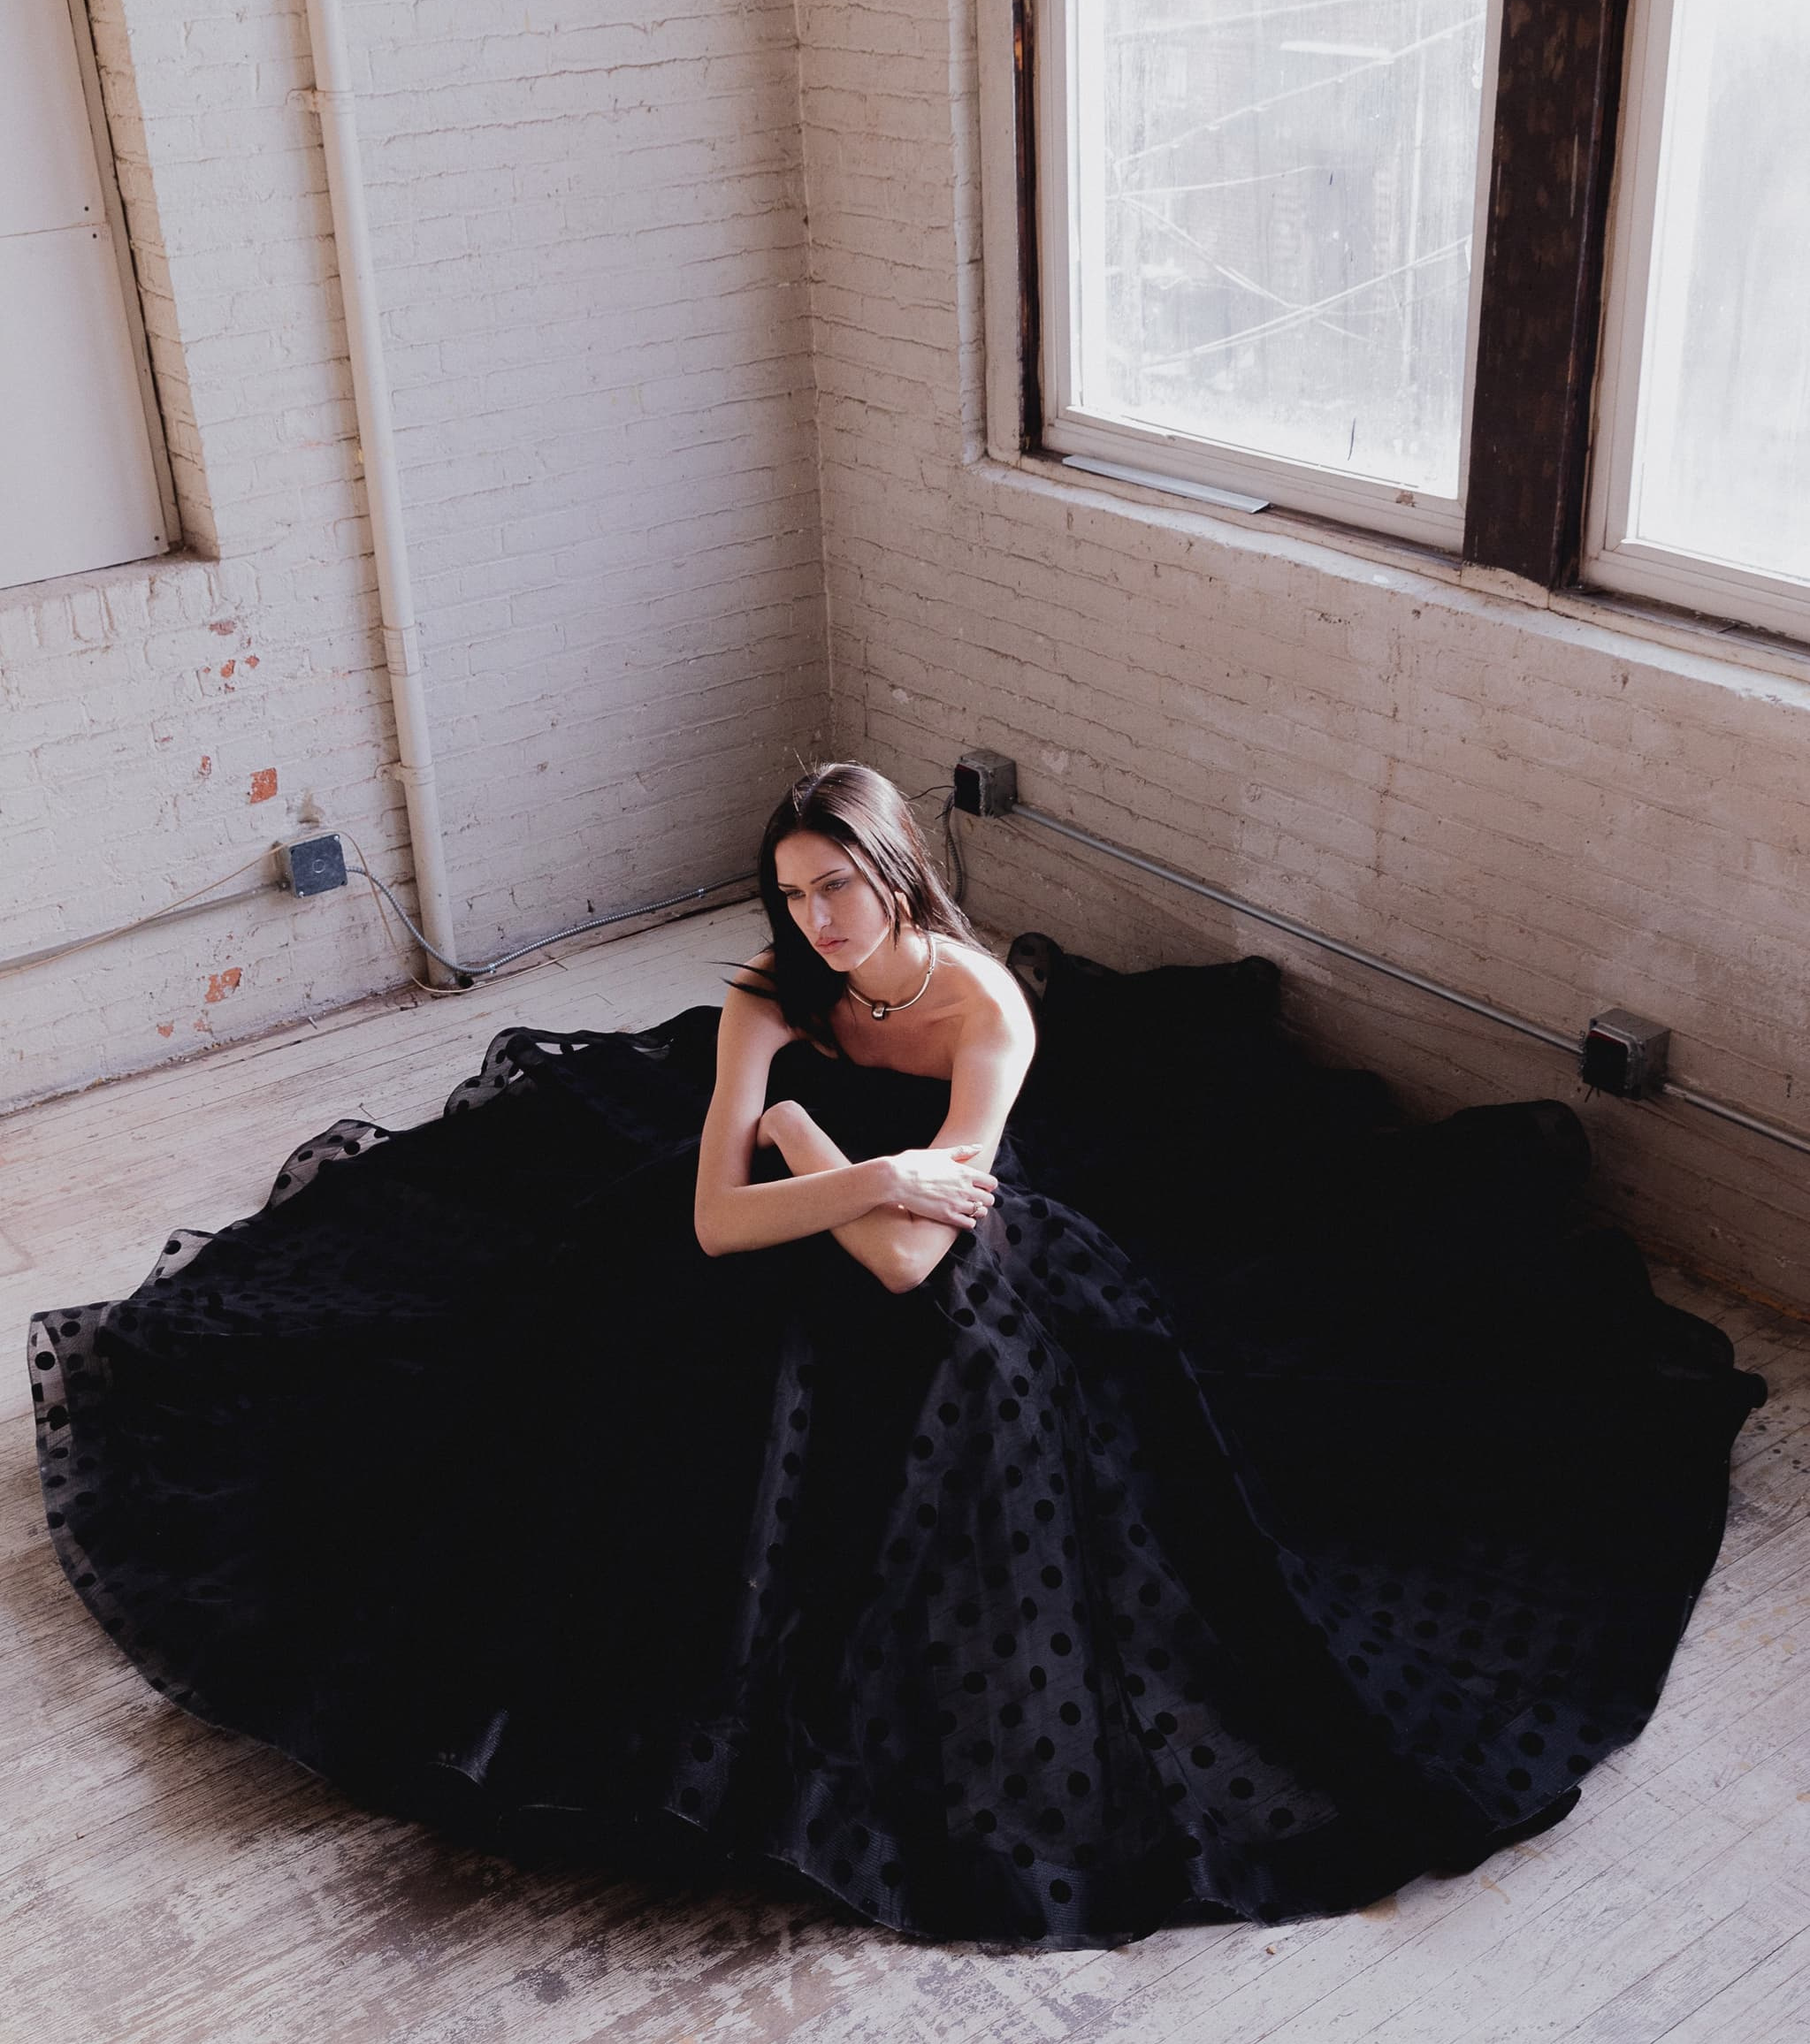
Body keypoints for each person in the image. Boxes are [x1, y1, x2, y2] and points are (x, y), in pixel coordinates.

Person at [27, 763, 1767, 1949]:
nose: (823, 921)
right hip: (770, 1249)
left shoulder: (986, 1010)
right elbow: (725, 1215)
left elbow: (923, 1253)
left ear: (901, 877)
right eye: (795, 893)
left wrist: (824, 1173)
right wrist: (824, 1155)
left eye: (846, 889)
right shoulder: (763, 1001)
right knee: (622, 1381)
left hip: (967, 1301)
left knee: (933, 1411)